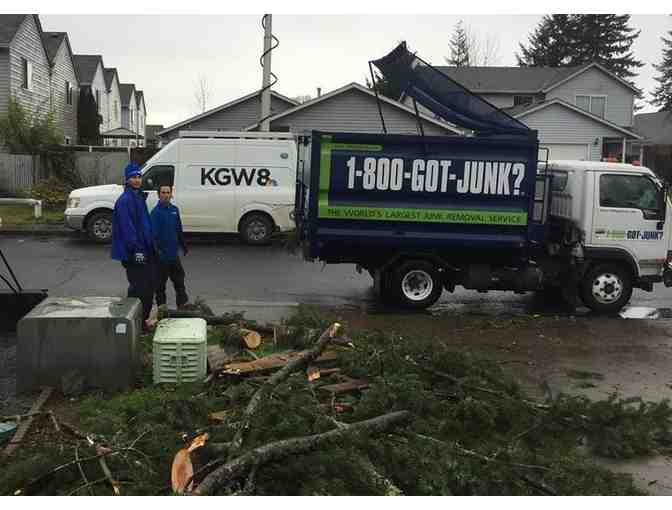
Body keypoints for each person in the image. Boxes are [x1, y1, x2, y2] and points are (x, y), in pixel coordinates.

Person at [111, 162, 157, 331]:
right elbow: (128, 229)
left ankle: (137, 322)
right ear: (127, 180)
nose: (137, 180)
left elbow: (144, 225)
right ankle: (135, 325)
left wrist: (151, 245)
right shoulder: (125, 201)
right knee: (140, 290)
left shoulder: (138, 197)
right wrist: (137, 250)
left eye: (139, 176)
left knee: (146, 287)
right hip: (134, 252)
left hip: (145, 249)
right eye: (133, 177)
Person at [151, 185, 189, 309]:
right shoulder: (155, 213)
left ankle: (182, 307)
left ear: (171, 194)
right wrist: (157, 252)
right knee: (160, 286)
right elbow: (152, 236)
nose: (166, 195)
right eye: (163, 192)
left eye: (168, 192)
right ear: (159, 195)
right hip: (162, 257)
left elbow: (178, 229)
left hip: (174, 255)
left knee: (180, 283)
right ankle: (162, 310)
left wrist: (183, 245)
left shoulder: (174, 210)